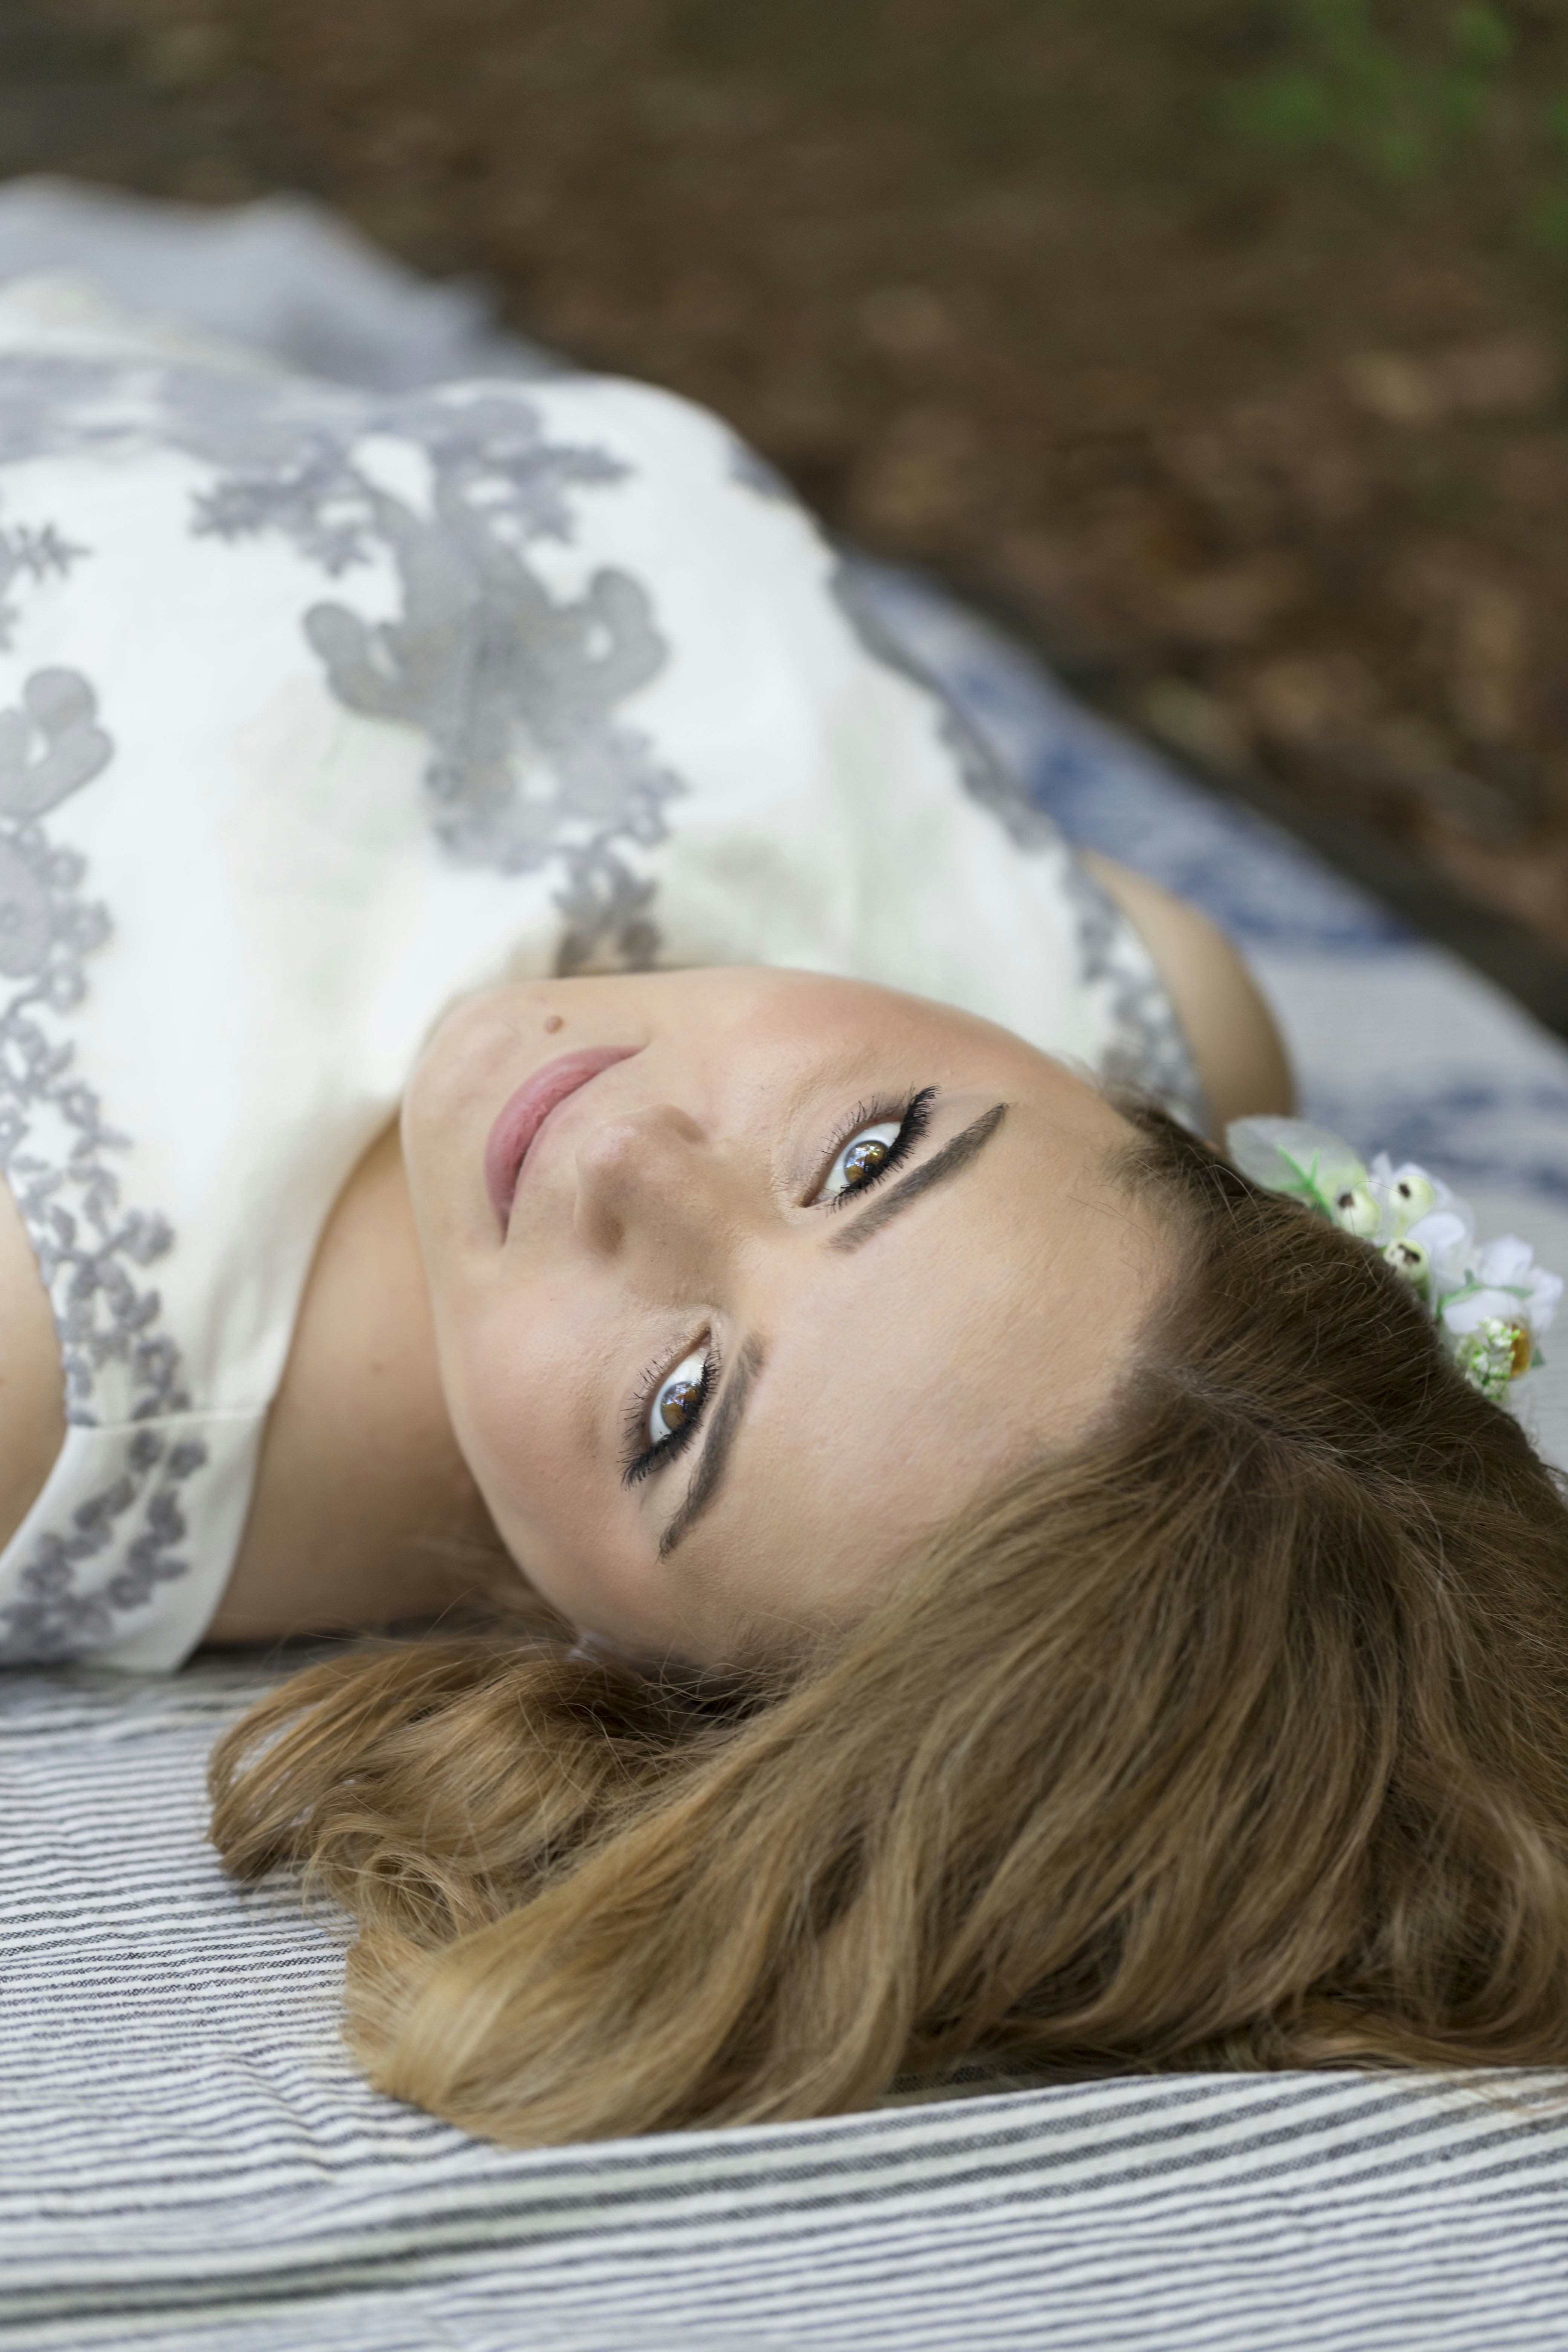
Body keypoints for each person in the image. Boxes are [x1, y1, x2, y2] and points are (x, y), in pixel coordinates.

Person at [6, 274, 1568, 2150]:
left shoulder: (58, 1345)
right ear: (1129, 1118)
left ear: (634, 1684)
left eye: (675, 1411)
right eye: (868, 1151)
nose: (624, 1161)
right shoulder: (1154, 1001)